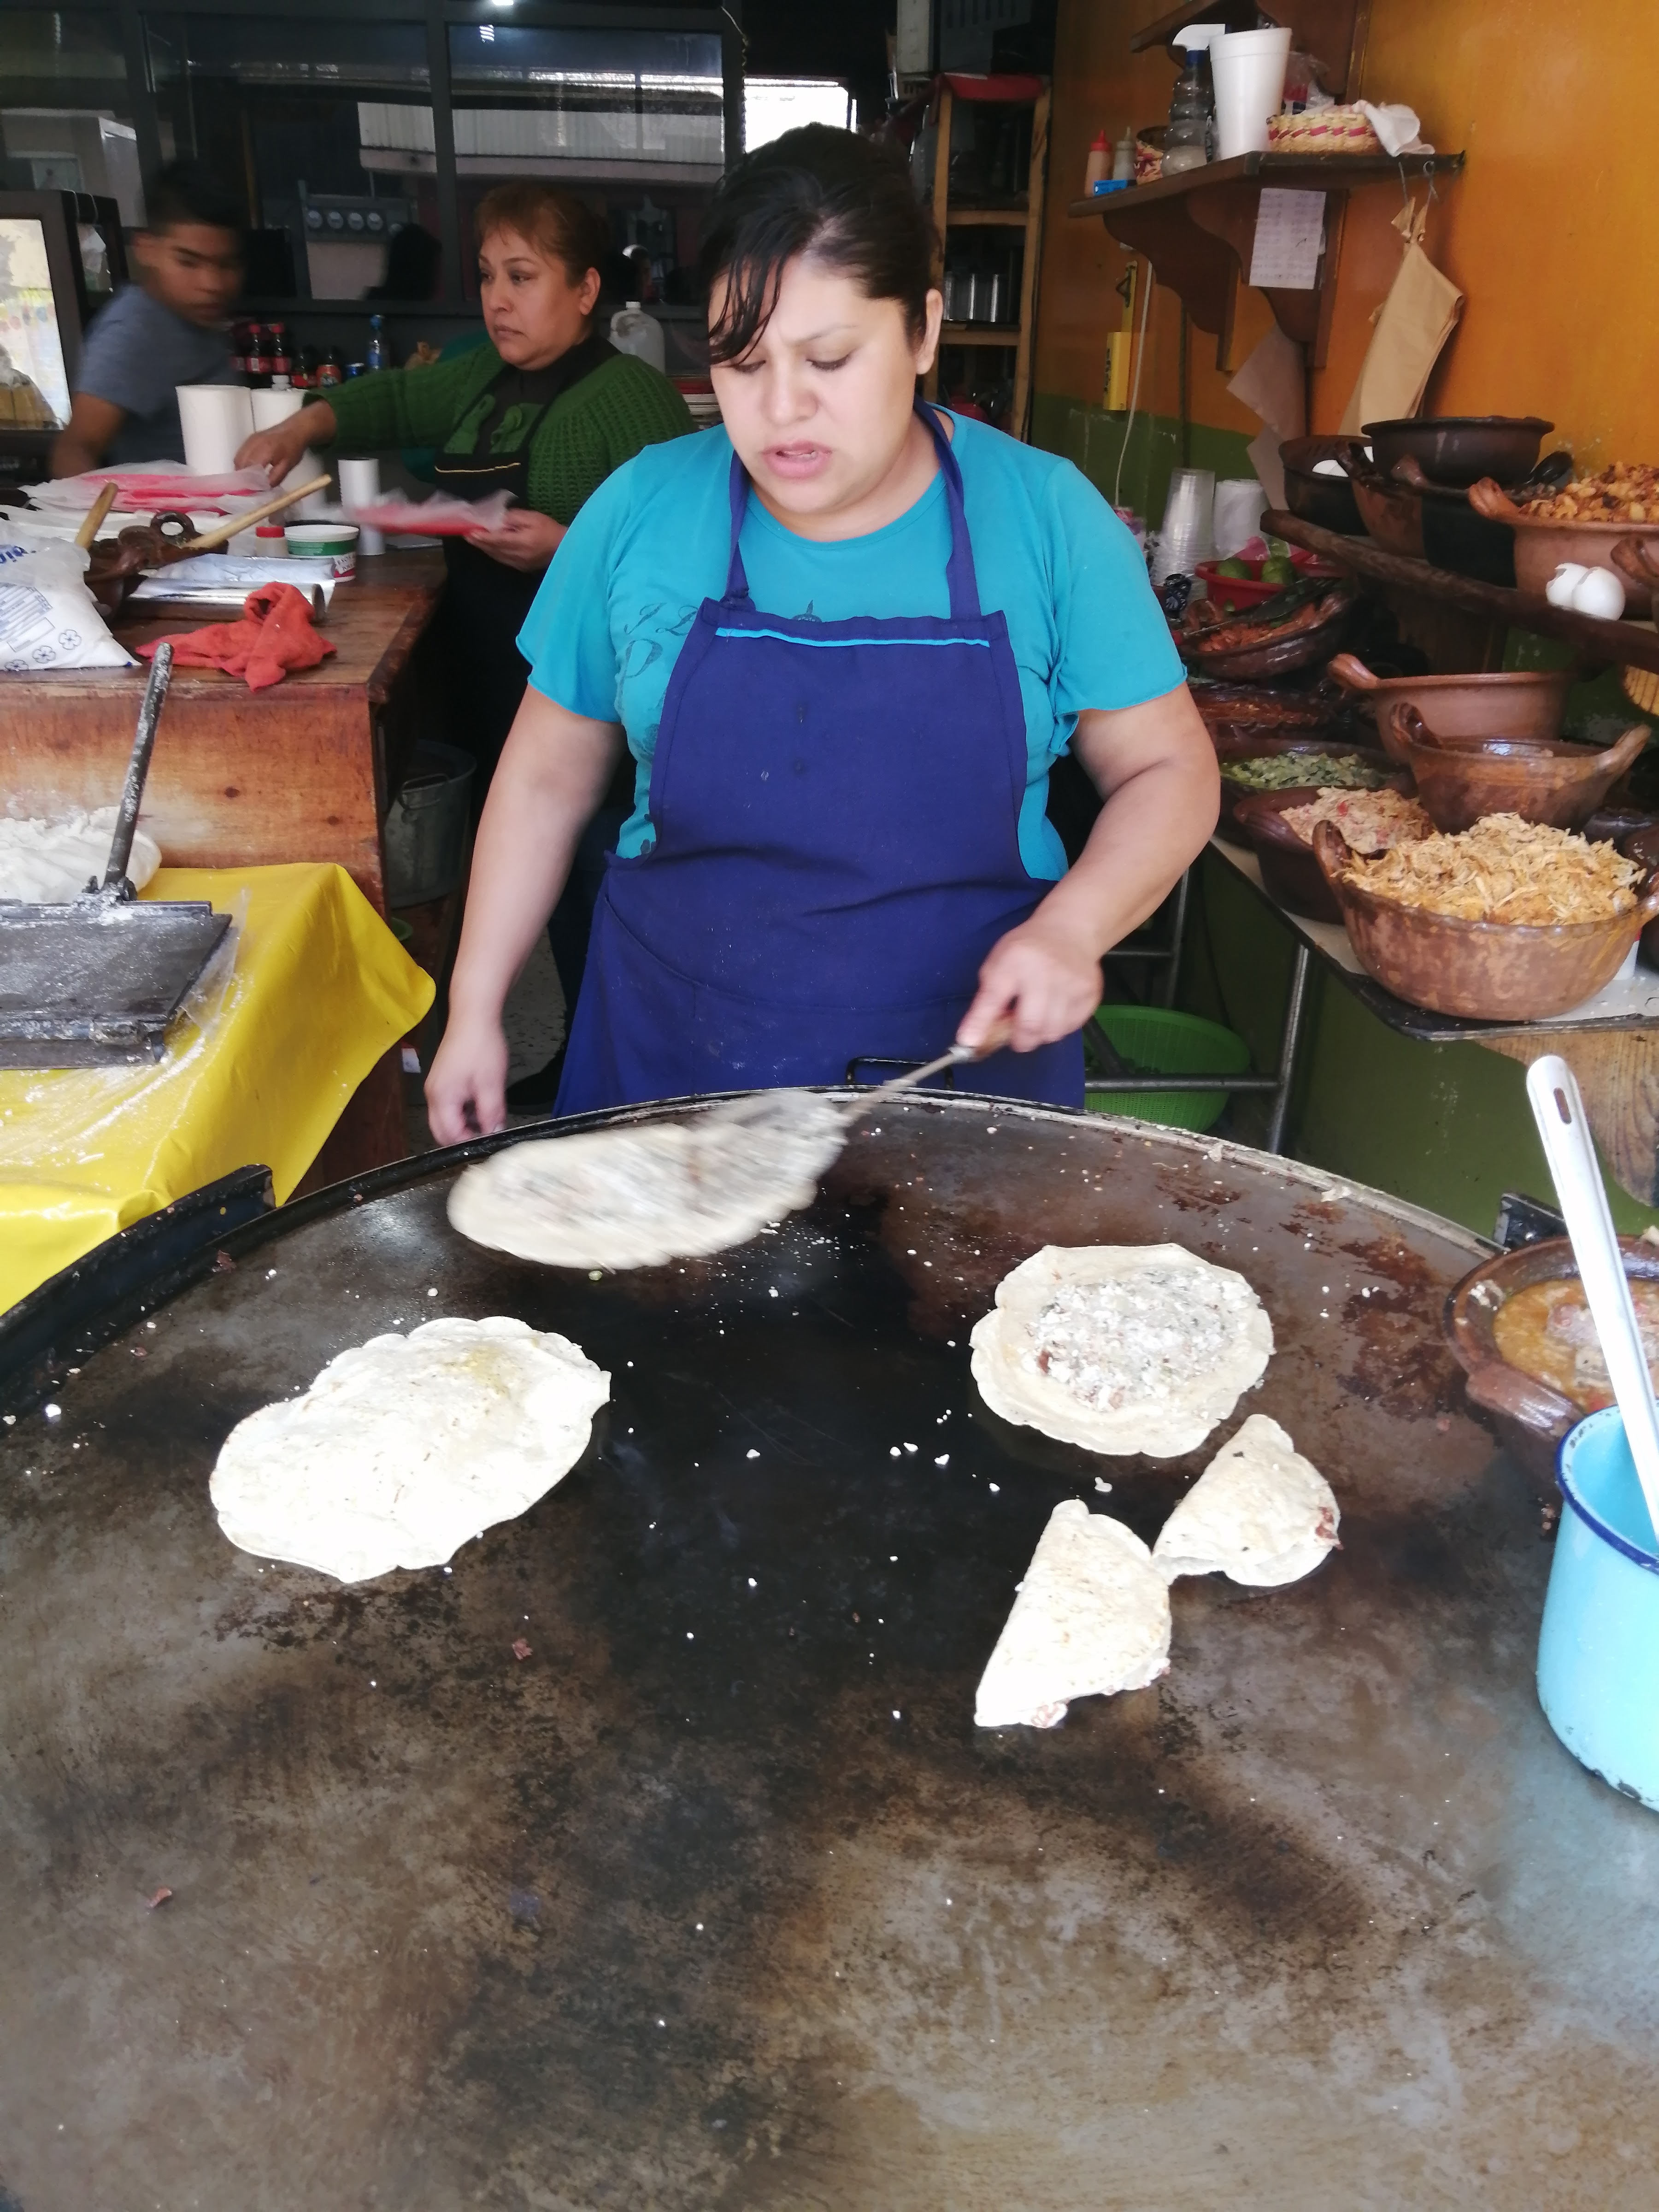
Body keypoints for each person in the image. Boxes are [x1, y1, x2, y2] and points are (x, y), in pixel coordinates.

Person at [424, 126, 1218, 1144]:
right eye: (740, 363)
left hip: (958, 1084)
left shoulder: (1046, 519)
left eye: (831, 358)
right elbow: (543, 778)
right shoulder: (643, 513)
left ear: (925, 331)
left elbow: (1169, 772)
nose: (782, 410)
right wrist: (478, 1007)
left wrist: (1075, 928)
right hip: (673, 1073)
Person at [239, 182, 692, 1100]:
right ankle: (536, 1036)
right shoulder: (479, 374)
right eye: (488, 275)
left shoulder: (632, 401)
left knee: (594, 871)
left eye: (524, 277)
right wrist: (305, 423)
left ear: (586, 290)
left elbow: (686, 562)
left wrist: (563, 549)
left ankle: (610, 1064)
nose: (498, 298)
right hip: (490, 655)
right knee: (521, 854)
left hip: (595, 687)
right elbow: (399, 401)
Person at [51, 163, 242, 472]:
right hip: (166, 519)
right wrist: (111, 520)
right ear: (146, 249)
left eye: (226, 265)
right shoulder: (133, 332)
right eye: (188, 263)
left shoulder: (198, 317)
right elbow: (75, 450)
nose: (212, 284)